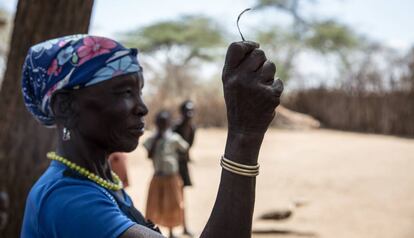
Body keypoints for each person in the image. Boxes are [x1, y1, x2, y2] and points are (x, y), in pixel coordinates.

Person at [20, 34, 283, 238]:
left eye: (139, 91)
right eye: (124, 92)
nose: (142, 107)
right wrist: (243, 137)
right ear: (65, 107)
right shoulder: (68, 199)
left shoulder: (99, 182)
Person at [144, 110, 188, 238]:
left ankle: (171, 233)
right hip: (158, 176)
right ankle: (151, 231)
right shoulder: (152, 138)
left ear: (168, 123)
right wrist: (156, 141)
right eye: (160, 122)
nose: (162, 125)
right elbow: (148, 155)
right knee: (153, 204)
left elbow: (184, 149)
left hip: (172, 177)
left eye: (164, 122)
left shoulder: (174, 138)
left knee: (172, 205)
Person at [173, 100, 196, 236]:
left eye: (191, 111)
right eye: (187, 111)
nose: (190, 114)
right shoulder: (175, 128)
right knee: (173, 196)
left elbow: (189, 146)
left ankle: (184, 227)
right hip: (174, 166)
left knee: (182, 197)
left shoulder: (192, 128)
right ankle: (171, 230)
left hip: (183, 165)